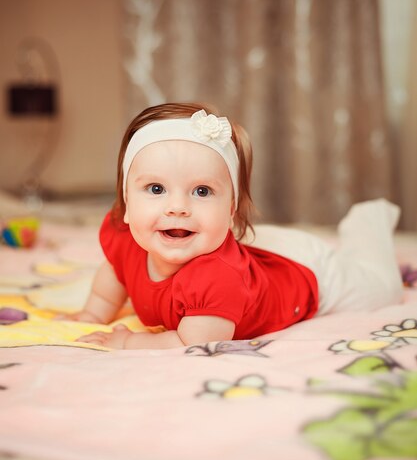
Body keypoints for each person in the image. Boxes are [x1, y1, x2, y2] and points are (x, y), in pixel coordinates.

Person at [66, 102, 403, 349]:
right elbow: (114, 275)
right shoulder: (127, 237)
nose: (178, 207)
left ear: (231, 210)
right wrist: (92, 314)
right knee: (247, 258)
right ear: (125, 204)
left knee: (382, 285)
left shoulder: (216, 277)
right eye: (156, 189)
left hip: (309, 273)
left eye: (202, 191)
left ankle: (369, 219)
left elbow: (192, 343)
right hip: (255, 253)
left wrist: (128, 344)